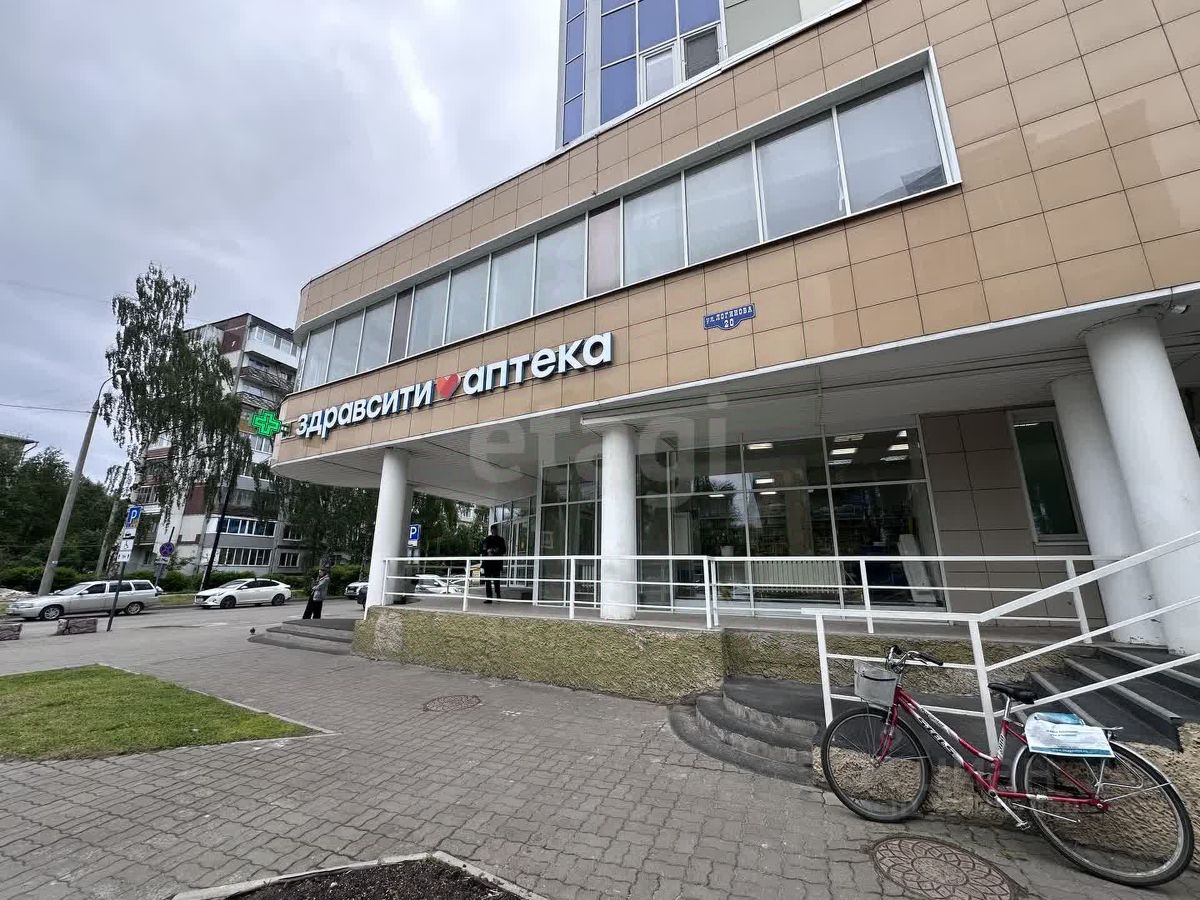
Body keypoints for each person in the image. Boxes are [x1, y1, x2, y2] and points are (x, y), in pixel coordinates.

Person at [480, 525, 507, 603]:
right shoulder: (487, 539)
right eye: (493, 530)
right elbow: (483, 550)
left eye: (495, 530)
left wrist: (496, 550)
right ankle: (489, 597)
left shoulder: (500, 540)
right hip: (488, 563)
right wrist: (488, 551)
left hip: (496, 563)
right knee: (488, 581)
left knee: (496, 580)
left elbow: (503, 550)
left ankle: (498, 595)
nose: (494, 531)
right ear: (491, 530)